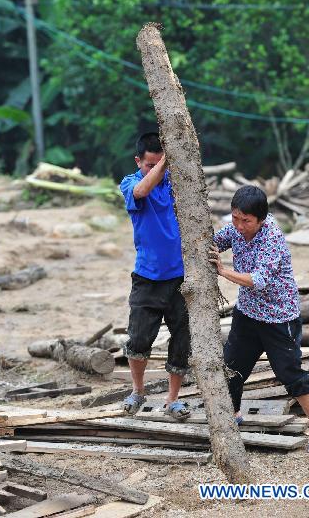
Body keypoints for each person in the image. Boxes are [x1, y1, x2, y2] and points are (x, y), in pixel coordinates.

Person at [209, 185, 309, 454]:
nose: (239, 226)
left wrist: (222, 270)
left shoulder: (271, 237)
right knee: (231, 368)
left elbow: (258, 281)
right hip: (248, 314)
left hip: (279, 318)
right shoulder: (236, 228)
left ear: (261, 220)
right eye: (235, 218)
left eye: (246, 221)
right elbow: (215, 241)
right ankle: (233, 417)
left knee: (291, 375)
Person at [119, 132, 191, 420]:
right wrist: (164, 164)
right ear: (139, 161)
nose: (156, 168)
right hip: (147, 276)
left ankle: (172, 400)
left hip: (180, 279)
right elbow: (141, 192)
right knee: (138, 340)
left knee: (182, 340)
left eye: (160, 163)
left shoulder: (177, 185)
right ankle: (138, 391)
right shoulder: (130, 183)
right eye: (150, 164)